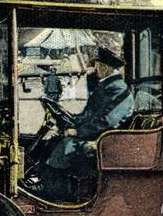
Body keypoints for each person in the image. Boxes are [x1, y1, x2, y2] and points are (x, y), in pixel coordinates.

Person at [19, 46, 133, 203]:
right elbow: (89, 116)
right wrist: (73, 121)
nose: (94, 69)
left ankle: (54, 191)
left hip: (105, 142)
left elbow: (107, 121)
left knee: (64, 145)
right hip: (99, 138)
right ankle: (48, 185)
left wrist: (77, 132)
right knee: (51, 142)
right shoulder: (108, 87)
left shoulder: (117, 89)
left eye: (97, 66)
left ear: (104, 67)